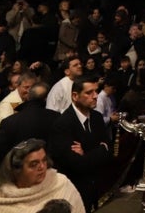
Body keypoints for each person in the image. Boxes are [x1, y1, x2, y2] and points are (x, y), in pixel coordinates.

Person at [0, 138, 85, 213]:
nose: (42, 167)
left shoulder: (60, 183)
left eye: (44, 160)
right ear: (17, 169)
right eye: (33, 164)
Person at [48, 76, 111, 210]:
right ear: (75, 96)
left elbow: (109, 152)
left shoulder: (97, 118)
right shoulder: (62, 124)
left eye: (96, 91)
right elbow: (76, 164)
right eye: (89, 93)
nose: (95, 96)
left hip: (97, 189)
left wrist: (86, 152)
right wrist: (100, 149)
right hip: (75, 192)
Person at [0, 82, 59, 155]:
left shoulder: (8, 122)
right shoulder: (56, 118)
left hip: (18, 164)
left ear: (28, 96)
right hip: (48, 164)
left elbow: (1, 153)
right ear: (46, 99)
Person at [0, 71, 37, 136]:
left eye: (32, 87)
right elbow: (5, 130)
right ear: (18, 86)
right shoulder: (6, 105)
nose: (29, 91)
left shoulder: (27, 100)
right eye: (26, 87)